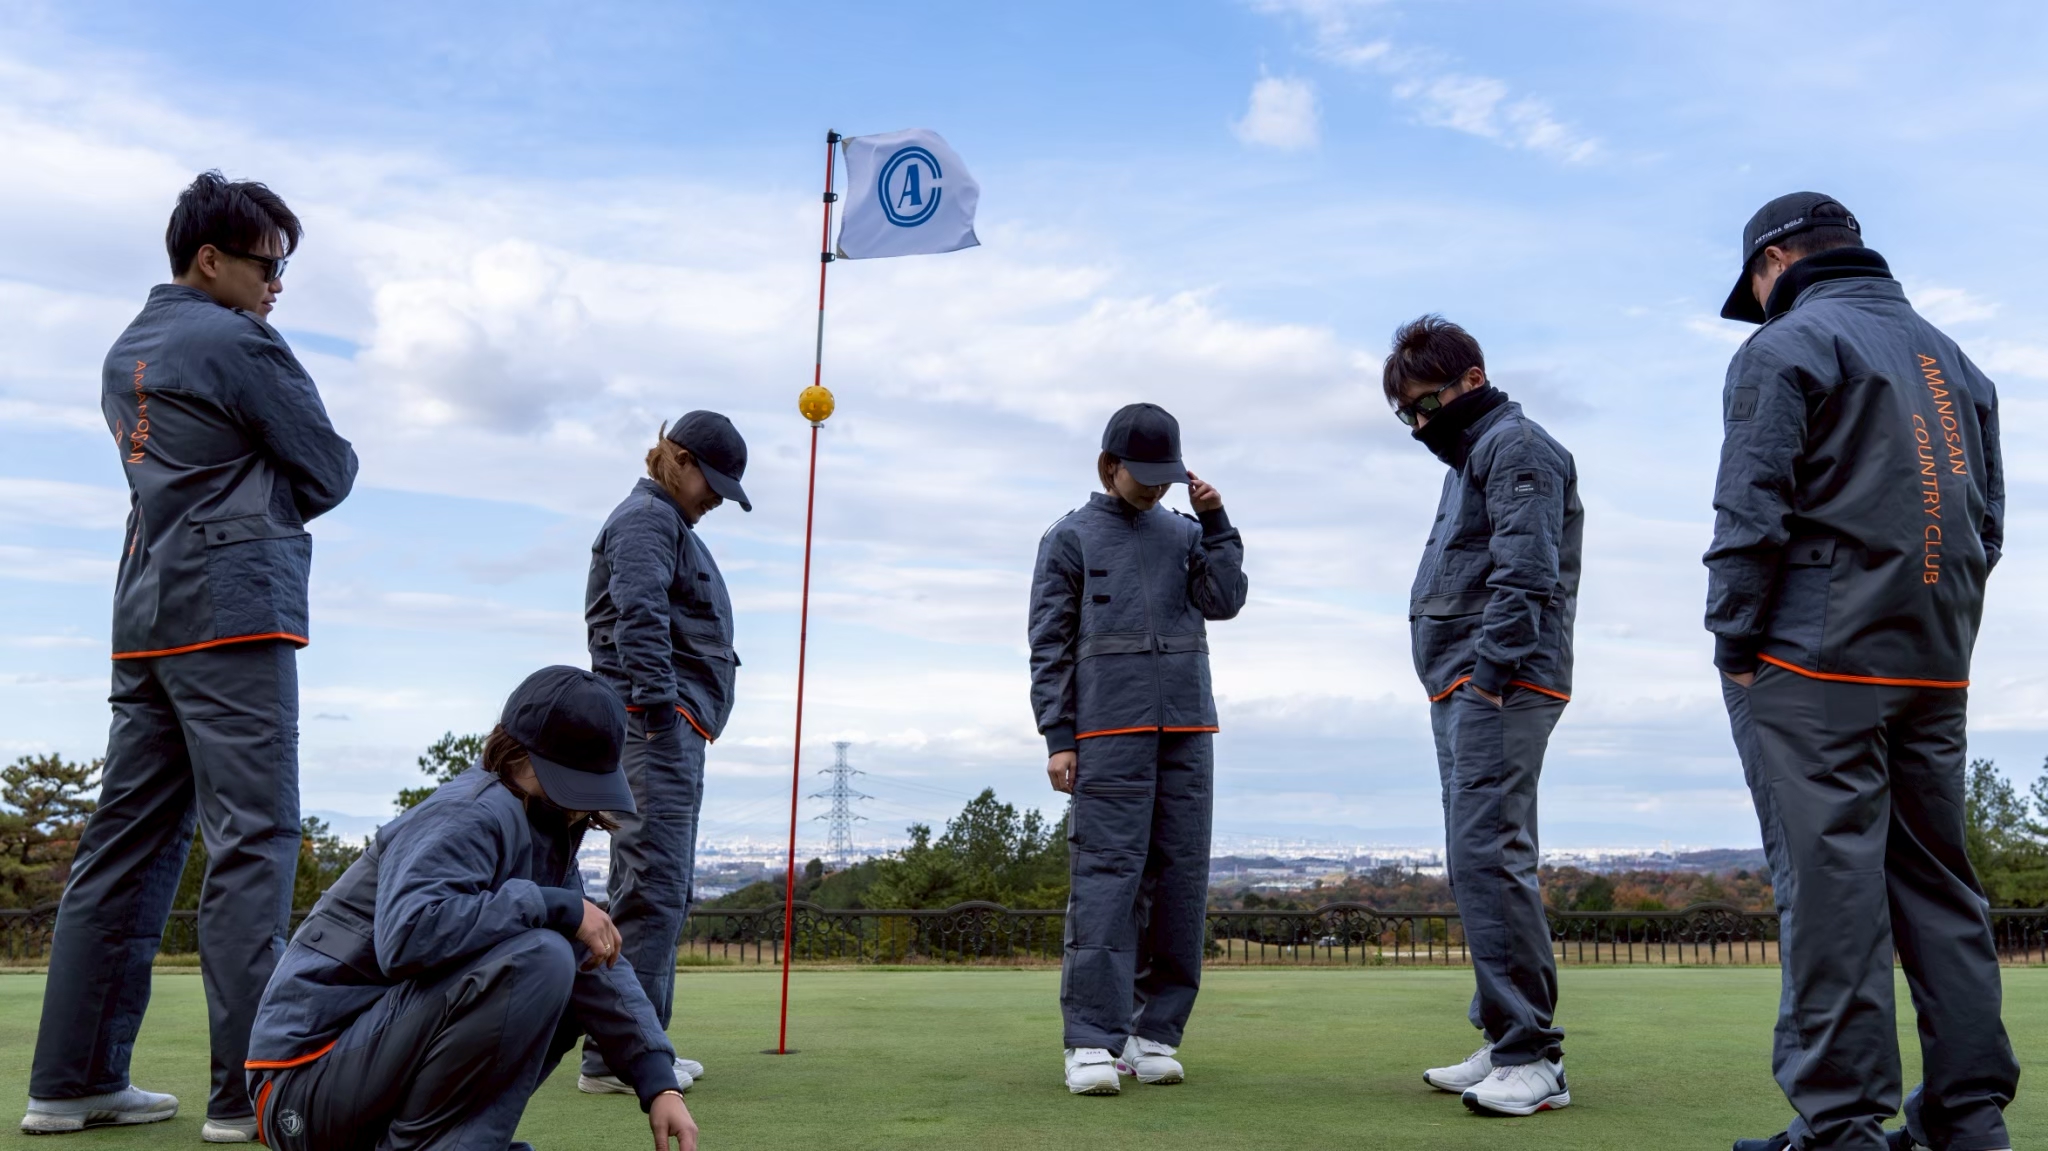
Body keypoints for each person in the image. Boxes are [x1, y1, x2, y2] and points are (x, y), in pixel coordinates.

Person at [24, 172, 357, 1141]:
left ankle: (72, 1080)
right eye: (268, 264)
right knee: (254, 840)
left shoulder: (125, 348)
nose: (277, 284)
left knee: (121, 848)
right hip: (232, 614)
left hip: (144, 613)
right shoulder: (238, 339)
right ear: (210, 259)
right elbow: (330, 465)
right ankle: (249, 1090)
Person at [1708, 194, 2018, 1151]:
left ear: (1776, 261)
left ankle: (1842, 1124)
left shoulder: (1787, 345)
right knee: (1939, 883)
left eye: (1756, 286)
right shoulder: (1955, 360)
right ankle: (1969, 1117)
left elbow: (1750, 509)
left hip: (1815, 657)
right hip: (1935, 655)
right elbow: (1988, 526)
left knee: (1830, 887)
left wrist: (1733, 641)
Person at [242, 666, 697, 1151]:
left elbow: (594, 958)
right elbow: (407, 936)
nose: (582, 806)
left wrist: (658, 1080)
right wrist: (554, 906)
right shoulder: (468, 811)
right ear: (519, 755)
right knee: (542, 958)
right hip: (300, 1083)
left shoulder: (541, 826)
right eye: (573, 782)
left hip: (355, 1074)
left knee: (562, 965)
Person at [1387, 316, 1582, 1118]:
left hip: (1497, 682)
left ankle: (1532, 1054)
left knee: (1490, 856)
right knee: (1479, 859)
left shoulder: (1516, 447)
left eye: (1426, 403)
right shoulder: (1473, 454)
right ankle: (1505, 1035)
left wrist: (1491, 676)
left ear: (1473, 379)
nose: (1419, 423)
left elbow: (1526, 570)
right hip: (1466, 684)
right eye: (1406, 413)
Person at [1028, 402, 1248, 1096]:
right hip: (1105, 734)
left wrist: (1217, 522)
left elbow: (1225, 599)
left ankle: (1154, 1033)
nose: (1155, 488)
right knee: (1107, 880)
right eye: (1143, 475)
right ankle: (1091, 1040)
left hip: (1187, 728)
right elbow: (1048, 646)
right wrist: (1058, 737)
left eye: (1165, 477)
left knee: (1181, 881)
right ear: (1108, 466)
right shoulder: (1068, 538)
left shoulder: (1186, 532)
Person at [579, 411, 751, 1094]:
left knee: (661, 887)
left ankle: (640, 1044)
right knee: (652, 886)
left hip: (666, 726)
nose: (717, 500)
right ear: (677, 458)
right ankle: (618, 1056)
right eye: (713, 483)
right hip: (654, 726)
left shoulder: (664, 522)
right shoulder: (647, 521)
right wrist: (657, 712)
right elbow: (640, 613)